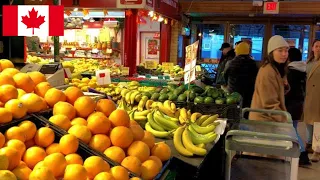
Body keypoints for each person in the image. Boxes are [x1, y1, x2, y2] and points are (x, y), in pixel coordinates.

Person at [249, 35, 289, 122]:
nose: (284, 54)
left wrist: (284, 86)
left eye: (286, 51)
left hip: (268, 119)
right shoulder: (268, 71)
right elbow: (269, 103)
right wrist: (285, 120)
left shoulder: (277, 69)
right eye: (280, 50)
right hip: (264, 120)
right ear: (271, 52)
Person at [285, 47, 311, 166]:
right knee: (293, 129)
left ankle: (302, 154)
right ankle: (299, 153)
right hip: (298, 103)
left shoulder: (290, 71)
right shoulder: (302, 70)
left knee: (293, 130)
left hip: (290, 104)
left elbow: (287, 90)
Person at [224, 42, 258, 109]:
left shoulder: (230, 63)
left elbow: (225, 76)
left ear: (237, 51)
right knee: (246, 111)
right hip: (249, 94)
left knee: (233, 112)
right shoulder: (253, 64)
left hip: (233, 93)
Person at [303, 39, 320, 162]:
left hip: (317, 96)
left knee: (317, 123)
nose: (318, 48)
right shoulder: (308, 62)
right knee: (308, 121)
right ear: (312, 48)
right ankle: (309, 143)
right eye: (317, 46)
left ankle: (317, 150)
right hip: (308, 95)